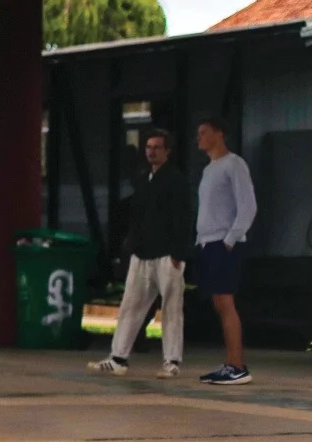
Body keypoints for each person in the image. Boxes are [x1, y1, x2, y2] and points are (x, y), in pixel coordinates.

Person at [89, 129, 192, 377]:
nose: (151, 151)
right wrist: (131, 244)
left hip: (167, 254)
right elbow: (137, 215)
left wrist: (179, 252)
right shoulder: (142, 178)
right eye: (148, 147)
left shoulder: (176, 180)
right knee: (130, 305)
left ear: (167, 151)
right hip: (142, 252)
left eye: (157, 147)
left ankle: (172, 361)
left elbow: (183, 217)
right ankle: (118, 357)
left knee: (171, 308)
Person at [195, 117, 256, 385]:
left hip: (224, 242)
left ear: (219, 133)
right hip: (208, 242)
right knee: (219, 302)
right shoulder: (209, 169)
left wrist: (231, 239)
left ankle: (237, 365)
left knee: (225, 301)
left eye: (204, 132)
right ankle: (231, 361)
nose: (199, 137)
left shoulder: (234, 164)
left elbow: (248, 206)